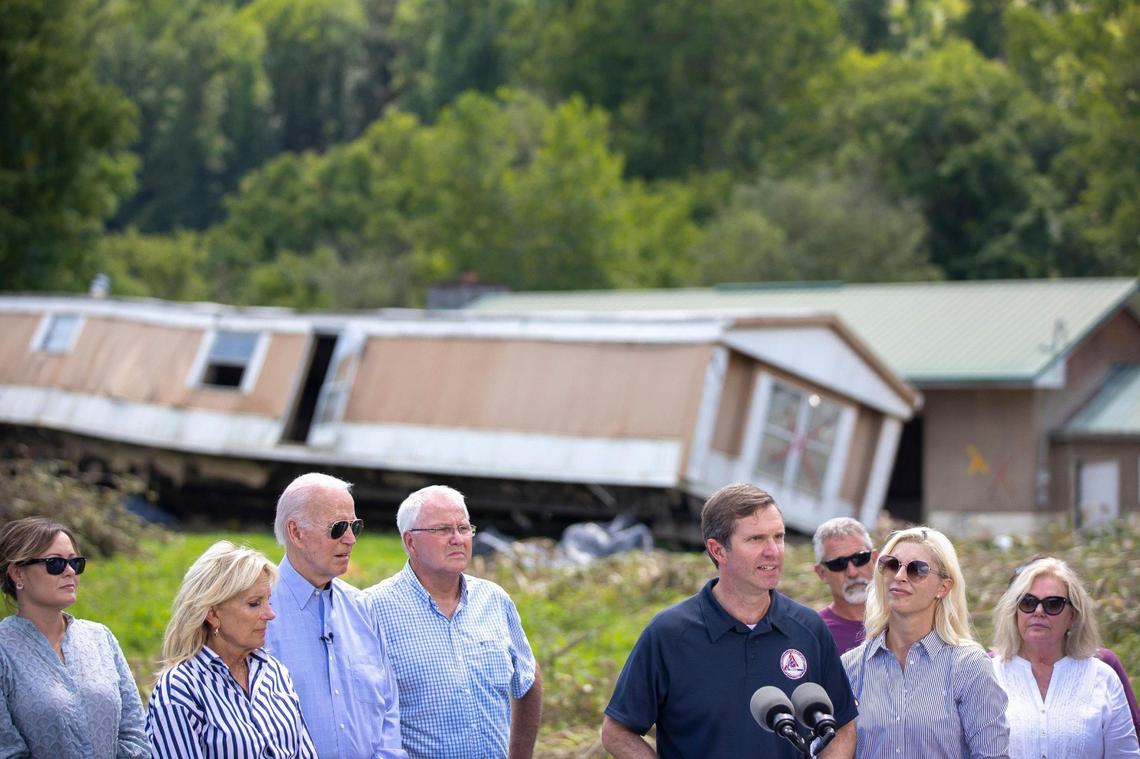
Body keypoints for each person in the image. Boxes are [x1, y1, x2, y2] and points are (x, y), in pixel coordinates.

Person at [601, 483, 857, 758]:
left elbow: (843, 725)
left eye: (778, 537)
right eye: (756, 539)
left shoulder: (809, 628)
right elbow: (617, 731)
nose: (774, 551)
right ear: (718, 550)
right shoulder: (669, 634)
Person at [365, 485, 542, 759]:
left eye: (463, 528)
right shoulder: (372, 609)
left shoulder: (493, 599)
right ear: (410, 541)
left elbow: (528, 678)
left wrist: (520, 754)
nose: (458, 538)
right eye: (443, 530)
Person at [264, 472, 407, 759]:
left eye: (355, 526)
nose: (351, 539)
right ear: (296, 532)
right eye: (338, 527)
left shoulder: (362, 608)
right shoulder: (258, 611)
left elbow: (388, 706)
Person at [842, 526, 1009, 759]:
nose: (899, 576)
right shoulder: (850, 667)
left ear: (943, 587)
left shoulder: (968, 666)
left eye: (917, 569)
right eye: (892, 564)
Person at [146, 540, 316, 757]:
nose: (270, 614)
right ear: (213, 614)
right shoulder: (180, 689)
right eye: (255, 603)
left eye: (268, 601)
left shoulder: (274, 672)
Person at [0, 516, 148, 759]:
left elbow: (135, 733)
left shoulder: (101, 638)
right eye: (55, 563)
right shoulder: (4, 649)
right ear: (17, 573)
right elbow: (6, 750)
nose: (70, 572)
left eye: (75, 563)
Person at [990, 556, 1139, 758]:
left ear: (1073, 616)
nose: (1038, 611)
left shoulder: (1103, 678)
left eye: (1053, 604)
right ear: (1014, 611)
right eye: (1028, 602)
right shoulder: (988, 675)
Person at [812, 517, 876, 654]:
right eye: (838, 564)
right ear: (822, 573)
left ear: (874, 559)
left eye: (859, 558)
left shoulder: (905, 617)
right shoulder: (813, 634)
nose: (852, 572)